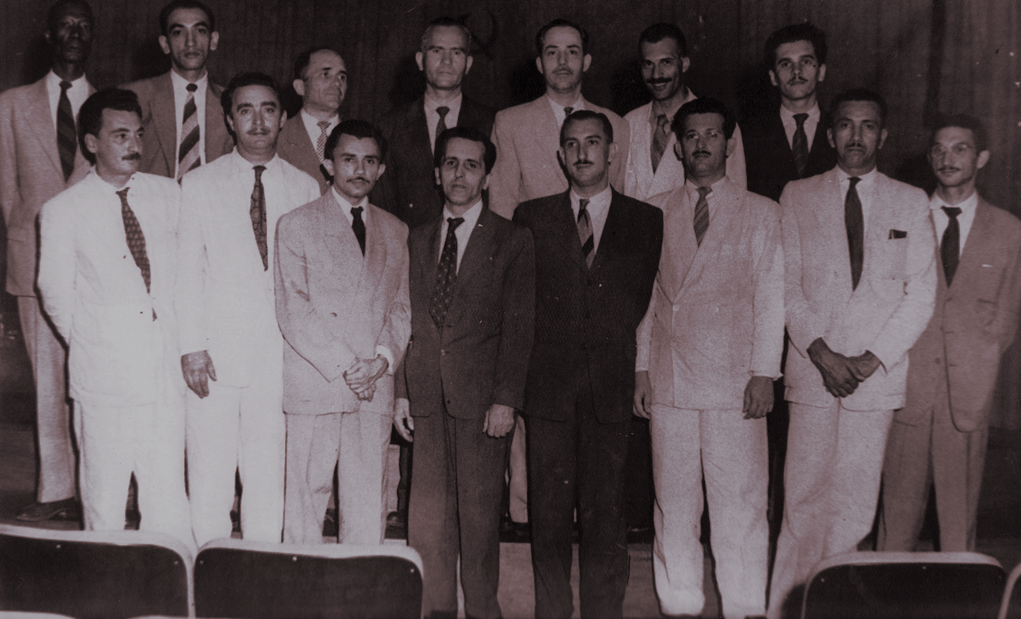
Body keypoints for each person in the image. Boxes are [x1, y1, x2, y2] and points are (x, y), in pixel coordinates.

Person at [768, 89, 937, 618]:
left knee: (855, 510)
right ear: (830, 133)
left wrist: (870, 359)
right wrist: (821, 353)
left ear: (883, 135)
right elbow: (785, 286)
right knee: (801, 503)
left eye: (868, 126)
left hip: (874, 380)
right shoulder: (797, 195)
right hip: (813, 372)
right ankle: (785, 610)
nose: (856, 136)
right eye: (845, 125)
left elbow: (921, 294)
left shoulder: (911, 201)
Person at [633, 97, 783, 619]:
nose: (701, 144)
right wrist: (641, 369)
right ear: (677, 146)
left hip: (734, 384)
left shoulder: (762, 212)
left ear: (729, 143)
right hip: (670, 381)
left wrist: (764, 373)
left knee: (739, 507)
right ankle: (680, 604)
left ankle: (744, 608)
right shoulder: (653, 209)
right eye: (691, 135)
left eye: (712, 135)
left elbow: (772, 299)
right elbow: (646, 300)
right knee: (674, 506)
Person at [513, 110, 662, 619]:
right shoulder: (531, 217)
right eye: (572, 144)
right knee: (549, 517)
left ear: (612, 151)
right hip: (548, 389)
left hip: (611, 387)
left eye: (593, 142)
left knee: (606, 517)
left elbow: (641, 302)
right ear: (560, 155)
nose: (582, 153)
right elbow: (522, 304)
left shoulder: (646, 219)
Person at [36, 88, 193, 549]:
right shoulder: (63, 210)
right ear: (91, 143)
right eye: (120, 135)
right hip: (104, 377)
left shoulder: (169, 194)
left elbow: (184, 276)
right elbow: (55, 294)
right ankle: (103, 588)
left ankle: (165, 586)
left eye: (138, 134)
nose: (134, 144)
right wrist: (100, 339)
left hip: (164, 374)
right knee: (104, 499)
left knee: (167, 498)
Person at [394, 126, 534, 619]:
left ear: (487, 177)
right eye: (451, 164)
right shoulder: (415, 238)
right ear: (437, 173)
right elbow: (404, 320)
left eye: (471, 165)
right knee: (427, 524)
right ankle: (435, 611)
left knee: (478, 524)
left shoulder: (512, 240)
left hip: (482, 406)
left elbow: (519, 328)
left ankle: (481, 611)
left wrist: (506, 400)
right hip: (426, 401)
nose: (460, 174)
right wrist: (402, 392)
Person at [176, 72, 320, 548]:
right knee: (209, 475)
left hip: (277, 359)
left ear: (283, 117)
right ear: (229, 120)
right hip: (213, 358)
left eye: (268, 109)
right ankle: (206, 569)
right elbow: (186, 272)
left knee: (268, 476)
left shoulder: (304, 187)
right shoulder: (199, 184)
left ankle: (259, 575)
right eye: (245, 110)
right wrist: (192, 347)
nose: (258, 121)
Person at [878, 115, 1021, 553]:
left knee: (959, 526)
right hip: (908, 392)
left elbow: (1007, 315)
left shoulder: (1009, 230)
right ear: (929, 158)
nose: (948, 158)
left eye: (960, 148)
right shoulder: (904, 219)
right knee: (895, 522)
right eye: (939, 149)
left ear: (982, 157)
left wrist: (977, 363)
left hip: (966, 399)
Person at [276, 120, 410, 545]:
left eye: (370, 161)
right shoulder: (296, 224)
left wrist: (382, 361)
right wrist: (350, 366)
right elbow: (294, 308)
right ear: (328, 165)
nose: (359, 169)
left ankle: (361, 585)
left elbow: (401, 307)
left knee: (368, 503)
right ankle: (298, 581)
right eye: (348, 159)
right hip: (319, 379)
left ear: (381, 169)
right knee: (306, 500)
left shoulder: (395, 229)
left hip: (372, 384)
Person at [0, 0, 94, 523]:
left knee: (93, 377)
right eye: (65, 25)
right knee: (47, 383)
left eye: (83, 26)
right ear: (48, 35)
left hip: (94, 268)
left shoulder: (110, 104)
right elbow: (6, 190)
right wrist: (28, 239)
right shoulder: (11, 104)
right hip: (33, 262)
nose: (74, 33)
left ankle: (96, 487)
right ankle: (55, 490)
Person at [489, 18, 630, 220]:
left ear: (586, 62)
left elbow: (618, 207)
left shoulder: (618, 125)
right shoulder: (510, 123)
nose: (562, 61)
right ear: (540, 64)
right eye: (552, 52)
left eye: (572, 52)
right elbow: (501, 209)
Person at [373, 17, 496, 230]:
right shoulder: (389, 126)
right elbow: (381, 208)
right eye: (437, 51)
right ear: (420, 60)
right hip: (409, 245)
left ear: (468, 63)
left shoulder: (493, 123)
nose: (446, 61)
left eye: (456, 52)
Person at [623, 23, 746, 201]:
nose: (656, 74)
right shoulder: (628, 123)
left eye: (666, 62)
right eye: (648, 64)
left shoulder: (718, 121)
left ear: (684, 64)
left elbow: (736, 197)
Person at [122, 0, 232, 180]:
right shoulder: (135, 96)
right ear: (165, 44)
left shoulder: (232, 102)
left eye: (200, 31)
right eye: (178, 32)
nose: (190, 42)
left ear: (213, 40)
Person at [742, 22, 837, 202]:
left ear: (821, 71)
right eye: (786, 64)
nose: (796, 71)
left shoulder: (841, 129)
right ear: (773, 77)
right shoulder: (748, 134)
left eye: (806, 61)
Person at [278, 47, 347, 195]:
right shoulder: (278, 137)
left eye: (342, 77)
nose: (337, 83)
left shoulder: (361, 140)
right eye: (325, 74)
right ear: (300, 87)